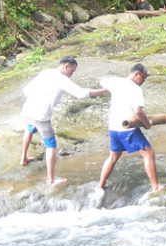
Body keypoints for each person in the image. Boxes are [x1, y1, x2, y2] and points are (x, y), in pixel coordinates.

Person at [20, 57, 107, 185]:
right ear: (66, 66)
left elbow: (25, 90)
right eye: (72, 71)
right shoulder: (61, 79)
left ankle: (23, 158)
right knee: (51, 145)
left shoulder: (46, 72)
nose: (72, 74)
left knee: (29, 129)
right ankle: (51, 180)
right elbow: (81, 94)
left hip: (28, 110)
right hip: (41, 115)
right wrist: (105, 90)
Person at [96, 63, 166, 193]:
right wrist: (147, 124)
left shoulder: (115, 82)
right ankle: (155, 187)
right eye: (143, 78)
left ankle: (100, 186)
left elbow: (101, 81)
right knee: (148, 153)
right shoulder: (135, 89)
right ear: (136, 74)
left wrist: (110, 90)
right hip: (127, 128)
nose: (143, 82)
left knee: (112, 157)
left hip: (113, 128)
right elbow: (138, 112)